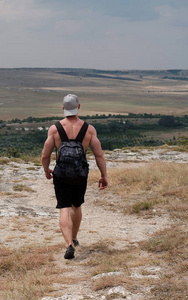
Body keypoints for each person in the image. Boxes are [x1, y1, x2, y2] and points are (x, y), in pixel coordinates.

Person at [41, 94, 108, 259]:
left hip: (61, 174)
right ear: (78, 107)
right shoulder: (89, 129)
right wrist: (103, 175)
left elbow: (45, 155)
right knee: (76, 206)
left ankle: (68, 244)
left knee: (64, 207)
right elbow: (99, 155)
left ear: (63, 108)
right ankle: (75, 238)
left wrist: (46, 170)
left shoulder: (55, 129)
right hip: (80, 174)